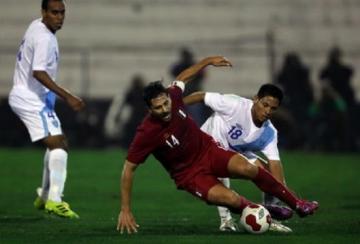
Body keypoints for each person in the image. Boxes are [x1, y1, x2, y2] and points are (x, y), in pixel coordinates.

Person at [116, 56, 318, 234]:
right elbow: (128, 169)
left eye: (165, 104)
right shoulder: (146, 132)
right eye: (158, 108)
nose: (165, 110)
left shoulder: (174, 96)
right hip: (189, 175)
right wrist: (125, 209)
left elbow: (184, 76)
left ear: (169, 97)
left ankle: (298, 204)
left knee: (249, 168)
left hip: (208, 151)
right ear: (149, 109)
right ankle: (263, 212)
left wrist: (207, 61)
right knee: (231, 200)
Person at [8, 0, 85, 219]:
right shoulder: (45, 38)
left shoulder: (36, 25)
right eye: (54, 12)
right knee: (58, 145)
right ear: (43, 12)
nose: (59, 17)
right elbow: (38, 73)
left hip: (34, 96)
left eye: (62, 13)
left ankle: (44, 197)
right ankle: (54, 200)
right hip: (30, 98)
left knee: (58, 144)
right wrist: (68, 96)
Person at [184, 84, 294, 232]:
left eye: (273, 108)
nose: (268, 111)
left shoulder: (269, 132)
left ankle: (269, 217)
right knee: (221, 170)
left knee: (268, 175)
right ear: (256, 99)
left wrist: (285, 196)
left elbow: (275, 164)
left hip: (234, 150)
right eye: (265, 105)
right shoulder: (234, 104)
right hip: (206, 146)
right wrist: (175, 108)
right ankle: (226, 221)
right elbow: (201, 96)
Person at [104, 74, 147, 148]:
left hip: (136, 118)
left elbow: (122, 104)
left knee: (132, 135)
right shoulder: (142, 92)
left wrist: (117, 115)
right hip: (139, 117)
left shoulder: (135, 92)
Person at [169, 47, 208, 126]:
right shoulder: (185, 66)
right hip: (188, 96)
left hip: (190, 95)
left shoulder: (191, 67)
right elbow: (172, 71)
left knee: (194, 118)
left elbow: (202, 74)